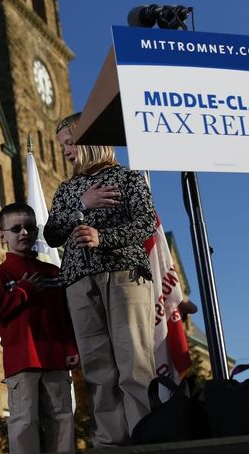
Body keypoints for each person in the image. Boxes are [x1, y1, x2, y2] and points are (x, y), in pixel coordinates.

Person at [43, 113, 158, 447]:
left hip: (124, 275)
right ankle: (110, 442)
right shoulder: (67, 190)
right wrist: (83, 203)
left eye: (69, 143)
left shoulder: (128, 177)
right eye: (62, 145)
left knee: (133, 363)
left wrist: (101, 237)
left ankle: (146, 436)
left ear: (89, 139)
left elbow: (146, 224)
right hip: (79, 281)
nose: (65, 151)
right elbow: (52, 234)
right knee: (97, 368)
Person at [0, 202, 78, 454]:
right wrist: (23, 292)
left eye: (28, 227)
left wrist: (70, 345)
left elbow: (65, 314)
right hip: (21, 360)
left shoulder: (52, 271)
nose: (23, 232)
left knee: (62, 418)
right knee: (24, 422)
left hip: (56, 357)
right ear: (2, 235)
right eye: (15, 228)